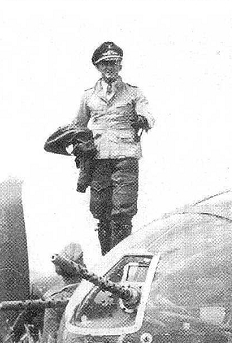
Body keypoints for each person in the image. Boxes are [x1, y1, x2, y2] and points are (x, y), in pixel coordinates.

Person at [74, 41, 154, 255]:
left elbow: (148, 115)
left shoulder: (133, 93)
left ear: (120, 65)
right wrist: (79, 146)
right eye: (105, 63)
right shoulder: (88, 96)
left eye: (114, 63)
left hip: (125, 156)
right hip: (98, 158)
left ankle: (119, 260)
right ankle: (107, 260)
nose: (109, 67)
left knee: (123, 212)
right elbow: (79, 125)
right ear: (98, 67)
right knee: (101, 212)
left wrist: (142, 119)